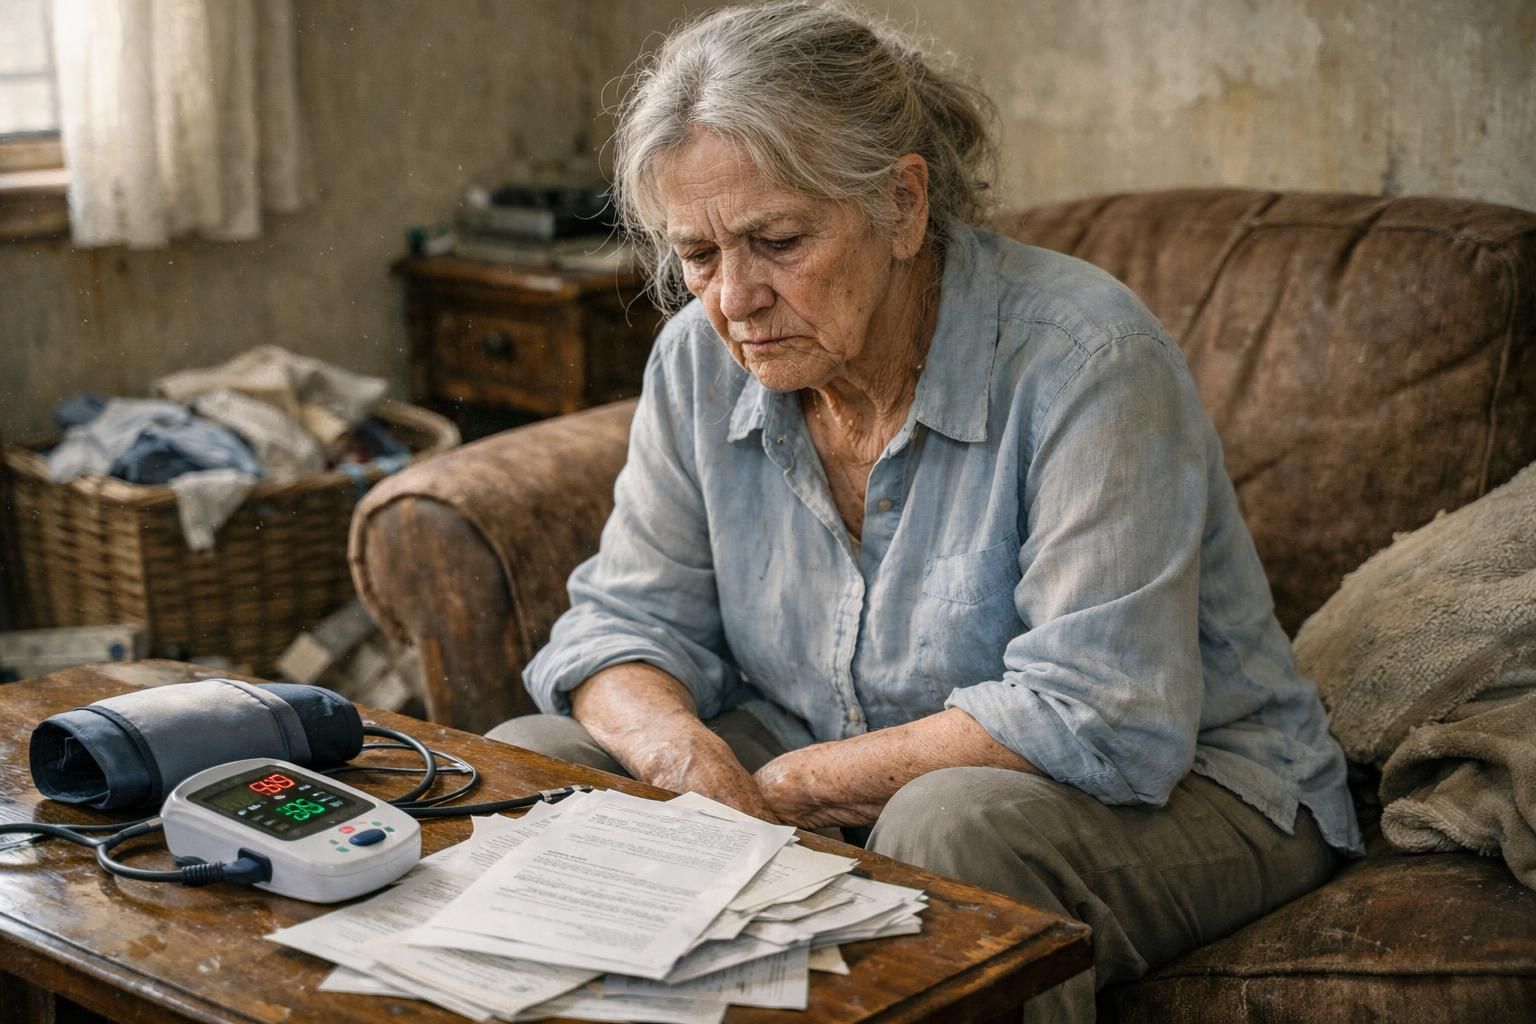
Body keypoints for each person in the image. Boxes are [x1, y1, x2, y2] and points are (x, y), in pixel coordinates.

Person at [489, 2, 1362, 1019]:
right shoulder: (697, 359)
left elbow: (1101, 712)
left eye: (775, 240)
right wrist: (683, 759)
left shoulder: (1085, 358)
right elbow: (618, 627)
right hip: (840, 742)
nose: (732, 298)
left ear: (904, 205)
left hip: (1195, 783)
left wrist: (783, 795)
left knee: (949, 829)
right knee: (543, 763)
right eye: (697, 254)